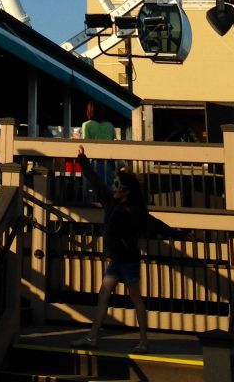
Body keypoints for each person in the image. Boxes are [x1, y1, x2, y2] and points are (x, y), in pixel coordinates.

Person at [74, 148, 170, 351]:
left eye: (117, 184)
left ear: (126, 190)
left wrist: (179, 234)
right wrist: (82, 159)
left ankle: (143, 341)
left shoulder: (134, 211)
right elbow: (95, 180)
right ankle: (93, 337)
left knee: (134, 297)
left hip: (128, 260)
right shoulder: (111, 201)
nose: (113, 186)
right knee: (105, 293)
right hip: (117, 260)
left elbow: (157, 224)